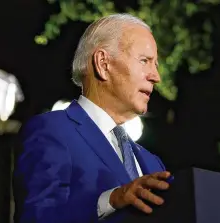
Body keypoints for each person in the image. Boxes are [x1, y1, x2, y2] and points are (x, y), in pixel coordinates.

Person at [13, 13, 172, 223]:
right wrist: (111, 200)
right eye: (145, 61)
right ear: (103, 63)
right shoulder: (52, 131)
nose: (156, 77)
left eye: (156, 65)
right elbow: (38, 218)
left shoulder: (154, 164)